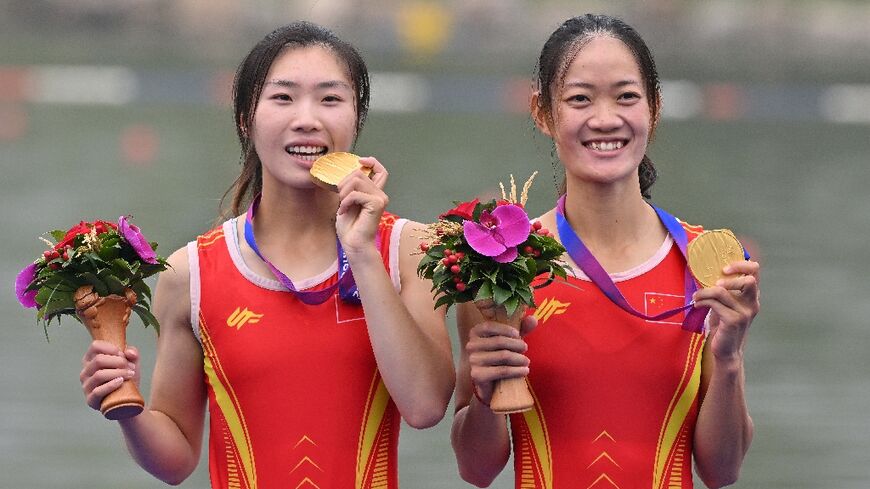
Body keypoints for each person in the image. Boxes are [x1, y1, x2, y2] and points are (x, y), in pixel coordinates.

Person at [78, 21, 454, 488]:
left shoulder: (407, 250)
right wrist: (124, 404)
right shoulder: (190, 274)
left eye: (331, 99)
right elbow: (175, 460)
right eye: (283, 97)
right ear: (245, 118)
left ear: (356, 118)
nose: (307, 119)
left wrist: (360, 252)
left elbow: (425, 407)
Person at [451, 14, 760, 489]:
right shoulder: (500, 266)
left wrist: (730, 355)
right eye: (579, 99)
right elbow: (477, 469)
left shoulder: (706, 262)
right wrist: (486, 390)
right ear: (543, 113)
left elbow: (722, 471)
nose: (605, 119)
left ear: (655, 108)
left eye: (626, 96)